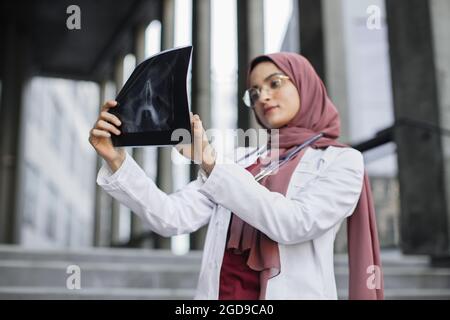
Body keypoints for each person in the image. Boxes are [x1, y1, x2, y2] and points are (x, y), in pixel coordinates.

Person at [89, 52, 384, 300]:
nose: (263, 97)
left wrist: (210, 161)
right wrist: (117, 160)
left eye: (274, 83)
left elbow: (294, 223)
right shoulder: (241, 161)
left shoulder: (342, 161)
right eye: (254, 92)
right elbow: (172, 217)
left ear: (306, 85)